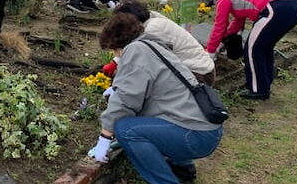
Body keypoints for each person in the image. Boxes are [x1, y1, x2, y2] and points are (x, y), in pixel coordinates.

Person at [90, 13, 223, 184]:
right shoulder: (152, 44)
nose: (116, 55)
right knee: (146, 119)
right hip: (205, 129)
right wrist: (117, 89)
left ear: (117, 44)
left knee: (126, 129)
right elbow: (147, 86)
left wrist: (105, 137)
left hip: (195, 136)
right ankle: (183, 168)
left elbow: (126, 99)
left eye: (114, 50)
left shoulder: (135, 50)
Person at [206, 0, 297, 99]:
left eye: (213, 2)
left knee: (253, 49)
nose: (215, 5)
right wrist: (223, 41)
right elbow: (237, 21)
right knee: (264, 47)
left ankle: (259, 90)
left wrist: (210, 52)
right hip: (293, 4)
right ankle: (265, 82)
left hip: (277, 6)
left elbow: (220, 26)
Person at [102, 0, 216, 84]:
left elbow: (140, 59)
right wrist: (115, 62)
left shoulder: (152, 29)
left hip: (198, 74)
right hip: (198, 68)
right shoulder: (151, 18)